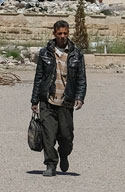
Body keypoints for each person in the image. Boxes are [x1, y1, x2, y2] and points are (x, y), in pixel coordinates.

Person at [30, 19, 86, 177]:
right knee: (49, 134)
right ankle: (50, 164)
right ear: (54, 34)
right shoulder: (45, 53)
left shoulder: (76, 54)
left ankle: (64, 154)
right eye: (60, 33)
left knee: (66, 136)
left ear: (68, 33)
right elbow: (39, 77)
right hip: (47, 100)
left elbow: (81, 78)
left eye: (65, 33)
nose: (62, 36)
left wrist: (80, 97)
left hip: (66, 101)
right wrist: (35, 100)